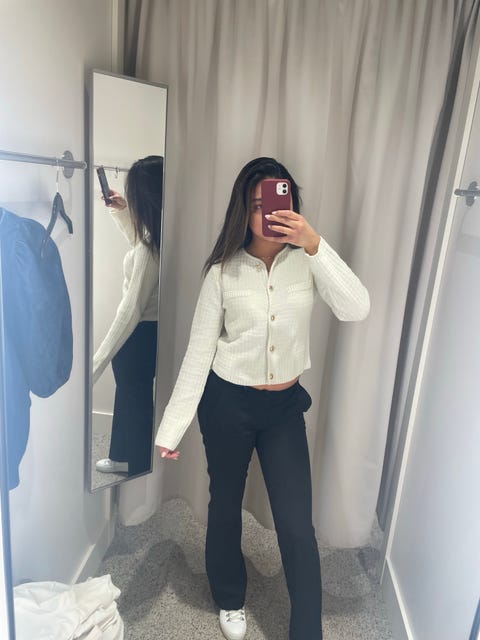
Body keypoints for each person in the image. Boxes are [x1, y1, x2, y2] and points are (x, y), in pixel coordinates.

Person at [155, 157, 370, 640]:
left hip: (283, 410)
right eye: (257, 205)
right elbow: (198, 353)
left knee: (296, 525)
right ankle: (229, 597)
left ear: (292, 203)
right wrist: (172, 427)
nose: (267, 213)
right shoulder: (223, 273)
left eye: (277, 201)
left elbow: (357, 307)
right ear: (243, 211)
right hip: (227, 404)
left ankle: (306, 632)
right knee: (225, 504)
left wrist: (314, 243)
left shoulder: (308, 262)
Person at [93, 155, 163, 477]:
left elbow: (130, 308)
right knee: (133, 399)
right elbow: (140, 246)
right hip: (150, 333)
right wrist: (121, 212)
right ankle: (127, 458)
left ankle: (131, 463)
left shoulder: (150, 247)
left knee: (132, 400)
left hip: (138, 334)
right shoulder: (161, 235)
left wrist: (97, 363)